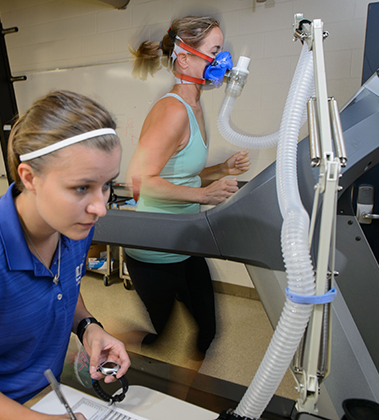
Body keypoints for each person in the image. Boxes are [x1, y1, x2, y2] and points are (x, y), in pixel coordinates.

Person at [0, 90, 130, 420]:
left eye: (106, 185)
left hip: (41, 400)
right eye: (81, 188)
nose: (100, 207)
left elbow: (61, 285)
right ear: (29, 177)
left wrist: (88, 326)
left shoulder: (73, 227)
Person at [123, 16, 251, 367]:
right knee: (160, 336)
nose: (221, 60)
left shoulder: (195, 105)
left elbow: (183, 174)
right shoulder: (172, 111)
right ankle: (98, 343)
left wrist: (221, 170)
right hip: (154, 248)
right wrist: (204, 196)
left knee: (206, 331)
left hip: (184, 240)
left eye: (221, 50)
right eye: (214, 51)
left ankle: (193, 396)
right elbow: (141, 180)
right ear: (185, 57)